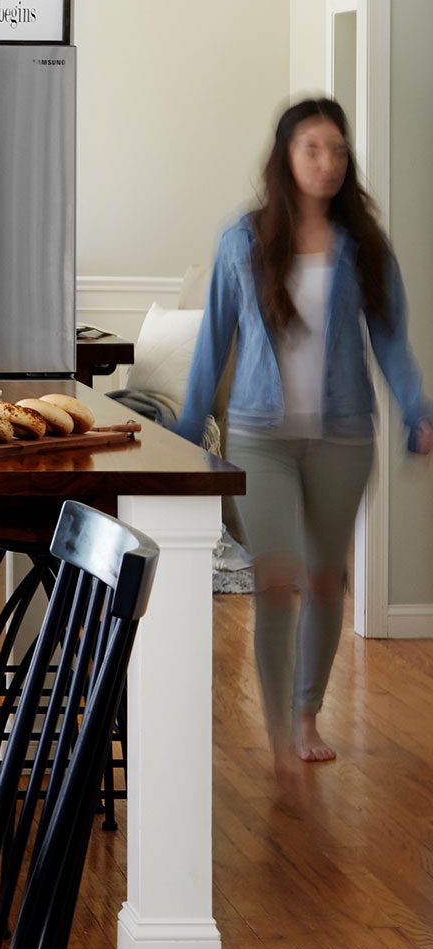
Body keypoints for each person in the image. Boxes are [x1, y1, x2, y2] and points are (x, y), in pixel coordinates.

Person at [175, 97, 432, 776]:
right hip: (260, 435)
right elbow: (214, 344)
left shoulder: (363, 245)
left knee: (324, 581)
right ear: (286, 156)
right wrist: (181, 434)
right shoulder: (244, 240)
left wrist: (417, 408)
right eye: (313, 148)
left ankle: (306, 712)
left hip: (343, 437)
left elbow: (391, 341)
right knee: (278, 577)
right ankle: (278, 732)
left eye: (338, 151)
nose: (328, 162)